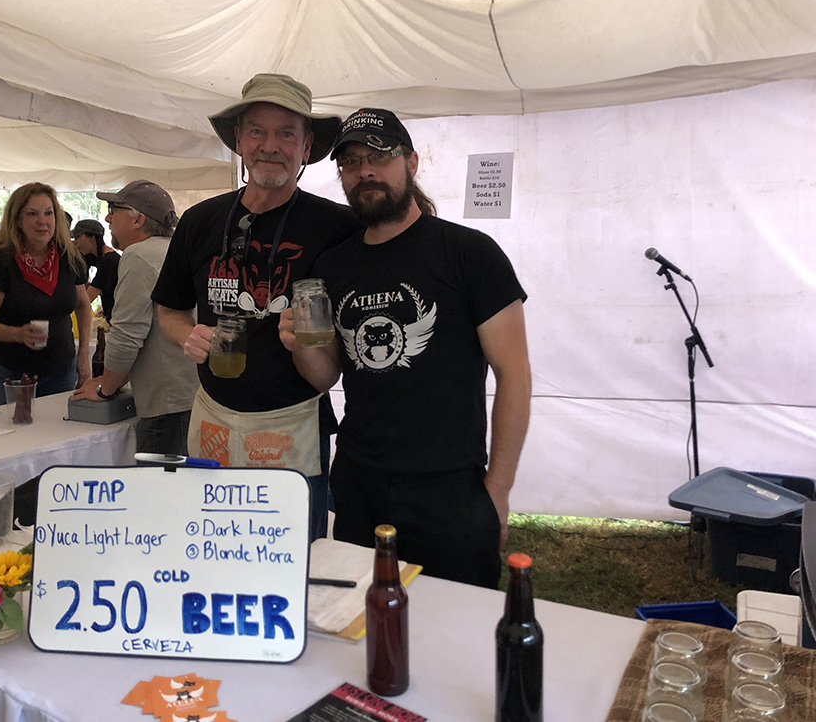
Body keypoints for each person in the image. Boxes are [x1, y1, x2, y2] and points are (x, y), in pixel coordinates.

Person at [279, 108, 532, 587]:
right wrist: (298, 344)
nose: (365, 171)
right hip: (357, 484)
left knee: (456, 634)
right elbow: (325, 374)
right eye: (351, 163)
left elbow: (515, 374)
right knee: (360, 625)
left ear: (412, 162)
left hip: (450, 487)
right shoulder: (333, 266)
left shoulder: (470, 254)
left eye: (379, 156)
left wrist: (497, 489)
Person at [151, 73, 359, 540]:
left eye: (288, 133)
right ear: (240, 141)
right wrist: (186, 334)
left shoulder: (338, 227)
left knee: (292, 564)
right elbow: (169, 309)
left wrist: (304, 344)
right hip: (212, 419)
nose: (271, 145)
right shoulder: (200, 220)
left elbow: (334, 365)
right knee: (209, 549)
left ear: (306, 148)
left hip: (294, 424)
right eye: (258, 131)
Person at [72, 181, 199, 453]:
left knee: (157, 491)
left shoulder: (138, 255)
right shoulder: (178, 250)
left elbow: (127, 335)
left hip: (166, 405)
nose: (106, 217)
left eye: (113, 209)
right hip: (193, 397)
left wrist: (106, 387)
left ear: (138, 219)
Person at [0, 183, 91, 400]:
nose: (42, 221)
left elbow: (83, 305)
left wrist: (83, 354)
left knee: (61, 431)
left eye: (48, 213)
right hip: (14, 373)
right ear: (17, 219)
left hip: (62, 369)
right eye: (32, 214)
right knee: (19, 431)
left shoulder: (69, 257)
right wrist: (18, 334)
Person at [72, 218, 121, 323]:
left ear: (91, 238)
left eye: (77, 237)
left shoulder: (109, 261)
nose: (75, 242)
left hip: (117, 322)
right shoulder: (95, 257)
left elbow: (86, 300)